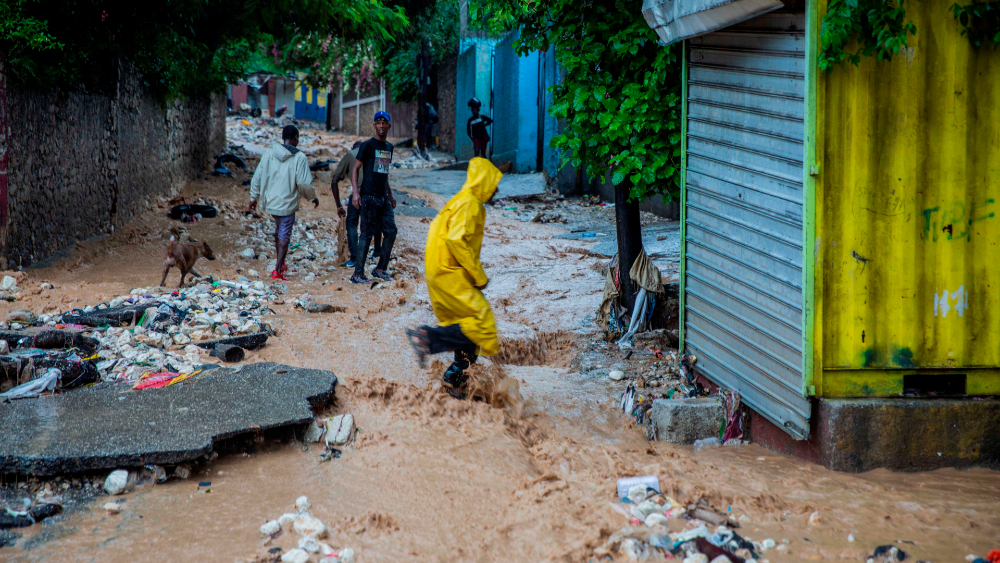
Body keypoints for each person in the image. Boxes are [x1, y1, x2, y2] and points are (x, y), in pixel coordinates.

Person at [406, 158, 503, 389]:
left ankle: (455, 381)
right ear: (483, 182)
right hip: (448, 270)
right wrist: (479, 277)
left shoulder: (460, 200)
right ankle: (426, 337)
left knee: (465, 324)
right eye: (493, 183)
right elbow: (456, 239)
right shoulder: (471, 204)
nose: (496, 189)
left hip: (439, 268)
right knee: (482, 322)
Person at [249, 125, 318, 281]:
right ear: (295, 138)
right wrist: (312, 197)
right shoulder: (299, 157)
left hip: (271, 202)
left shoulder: (268, 153)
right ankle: (277, 270)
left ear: (282, 138)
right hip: (287, 204)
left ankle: (282, 262)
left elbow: (257, 177)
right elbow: (303, 184)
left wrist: (253, 197)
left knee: (279, 229)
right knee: (284, 235)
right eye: (297, 138)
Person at [350, 111, 397, 284]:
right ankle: (357, 274)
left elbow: (383, 173)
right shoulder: (367, 145)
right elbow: (355, 168)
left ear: (389, 126)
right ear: (374, 125)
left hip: (383, 198)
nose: (382, 126)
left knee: (391, 231)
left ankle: (380, 269)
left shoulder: (389, 148)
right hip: (368, 196)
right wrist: (356, 193)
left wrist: (390, 196)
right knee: (367, 234)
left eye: (385, 123)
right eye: (379, 123)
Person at [331, 141, 380, 268]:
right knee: (372, 223)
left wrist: (339, 206)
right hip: (375, 194)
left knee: (352, 223)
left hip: (358, 194)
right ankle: (377, 252)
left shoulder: (350, 155)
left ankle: (355, 258)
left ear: (354, 148)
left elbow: (334, 181)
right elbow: (384, 179)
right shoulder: (375, 154)